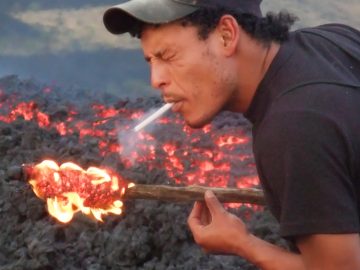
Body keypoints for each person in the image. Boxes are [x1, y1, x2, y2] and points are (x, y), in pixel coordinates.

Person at [102, 0, 360, 269]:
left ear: (226, 35)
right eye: (151, 60)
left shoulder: (292, 129)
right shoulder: (333, 39)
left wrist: (243, 244)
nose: (156, 79)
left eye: (168, 56)